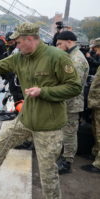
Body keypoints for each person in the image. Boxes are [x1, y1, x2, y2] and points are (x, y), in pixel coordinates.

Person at [0, 22, 82, 199]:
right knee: (0, 144)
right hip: (25, 119)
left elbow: (74, 87)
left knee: (48, 173)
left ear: (29, 39)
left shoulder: (57, 57)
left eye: (18, 42)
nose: (16, 46)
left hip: (48, 126)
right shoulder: (19, 57)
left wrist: (44, 92)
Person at [55, 31, 89, 174]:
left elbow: (73, 87)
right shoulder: (70, 56)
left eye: (59, 44)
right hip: (66, 102)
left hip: (72, 104)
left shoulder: (77, 60)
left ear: (69, 41)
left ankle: (67, 162)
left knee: (69, 134)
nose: (57, 47)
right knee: (65, 132)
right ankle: (63, 157)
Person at [81, 38, 100, 174]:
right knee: (96, 131)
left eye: (96, 49)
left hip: (98, 102)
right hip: (96, 103)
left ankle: (98, 164)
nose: (95, 52)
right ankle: (95, 154)